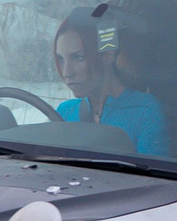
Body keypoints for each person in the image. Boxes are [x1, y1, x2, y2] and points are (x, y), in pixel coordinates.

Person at [50, 10, 169, 156]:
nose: (66, 72)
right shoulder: (64, 112)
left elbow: (152, 176)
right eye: (61, 59)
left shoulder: (144, 110)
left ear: (107, 55)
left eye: (78, 58)